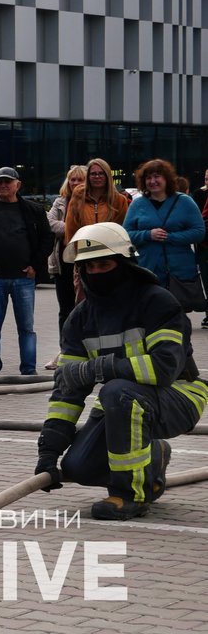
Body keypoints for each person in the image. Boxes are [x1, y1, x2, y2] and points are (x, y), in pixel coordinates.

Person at [36, 222, 205, 520]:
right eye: (90, 267)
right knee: (79, 467)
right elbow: (67, 391)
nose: (98, 272)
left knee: (117, 392)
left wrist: (97, 369)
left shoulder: (157, 302)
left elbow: (165, 368)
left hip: (179, 394)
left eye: (106, 263)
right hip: (123, 402)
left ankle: (131, 495)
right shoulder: (80, 319)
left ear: (125, 263)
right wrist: (49, 449)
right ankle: (154, 456)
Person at [0, 166, 53, 376]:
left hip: (24, 278)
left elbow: (47, 239)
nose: (3, 185)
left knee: (27, 327)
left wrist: (35, 266)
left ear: (18, 185)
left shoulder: (33, 210)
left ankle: (29, 368)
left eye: (7, 182)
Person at [122, 159, 205, 311]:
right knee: (149, 314)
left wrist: (170, 237)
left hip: (179, 271)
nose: (152, 181)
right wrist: (148, 235)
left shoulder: (185, 201)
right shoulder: (137, 204)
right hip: (148, 269)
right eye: (148, 178)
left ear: (166, 178)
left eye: (157, 176)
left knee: (177, 316)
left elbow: (199, 232)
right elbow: (125, 234)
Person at [64, 158, 129, 308]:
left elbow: (120, 231)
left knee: (110, 302)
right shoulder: (78, 197)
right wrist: (77, 259)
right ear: (88, 177)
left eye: (101, 173)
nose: (97, 177)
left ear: (107, 176)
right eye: (93, 174)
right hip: (84, 259)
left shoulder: (119, 200)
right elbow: (71, 229)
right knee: (83, 304)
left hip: (110, 260)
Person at [45, 165, 86, 369]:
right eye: (72, 180)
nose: (76, 184)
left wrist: (71, 231)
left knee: (85, 309)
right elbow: (50, 223)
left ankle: (86, 352)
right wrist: (73, 229)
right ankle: (65, 351)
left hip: (87, 262)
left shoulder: (91, 202)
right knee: (66, 310)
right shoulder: (60, 202)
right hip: (63, 263)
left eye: (80, 180)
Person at [193, 168, 208, 329]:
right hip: (204, 244)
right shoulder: (200, 194)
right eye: (205, 178)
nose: (206, 181)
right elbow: (200, 219)